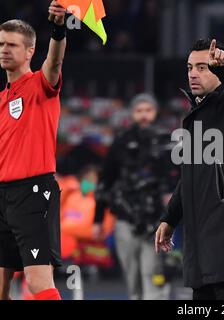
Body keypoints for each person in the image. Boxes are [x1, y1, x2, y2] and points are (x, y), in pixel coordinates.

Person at [155, 39, 224, 300]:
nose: (193, 73)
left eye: (203, 67)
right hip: (199, 241)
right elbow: (189, 177)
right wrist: (170, 218)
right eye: (190, 67)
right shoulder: (196, 115)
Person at [0, 2, 67, 300]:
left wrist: (57, 30)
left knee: (38, 282)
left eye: (12, 44)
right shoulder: (2, 98)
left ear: (29, 51)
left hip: (33, 192)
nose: (4, 49)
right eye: (1, 43)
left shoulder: (40, 85)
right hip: (2, 196)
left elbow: (54, 64)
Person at [93, 93, 170, 300]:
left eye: (148, 110)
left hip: (157, 220)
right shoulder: (121, 141)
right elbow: (105, 180)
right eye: (139, 111)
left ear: (155, 112)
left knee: (153, 273)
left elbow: (175, 181)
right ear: (132, 114)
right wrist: (98, 218)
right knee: (132, 278)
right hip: (125, 218)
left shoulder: (167, 141)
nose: (144, 115)